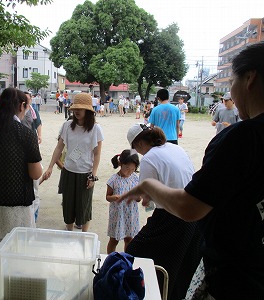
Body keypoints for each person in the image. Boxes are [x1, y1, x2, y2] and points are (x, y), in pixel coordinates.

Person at [119, 42, 264, 299]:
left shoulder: (243, 138)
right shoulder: (176, 148)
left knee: (135, 257)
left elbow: (190, 207)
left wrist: (146, 186)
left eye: (232, 81)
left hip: (238, 276)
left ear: (250, 78)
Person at [122, 123, 203, 300]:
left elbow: (145, 195)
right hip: (194, 212)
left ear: (139, 144)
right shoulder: (175, 148)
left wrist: (136, 197)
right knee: (181, 264)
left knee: (134, 253)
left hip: (171, 215)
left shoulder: (149, 158)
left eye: (136, 148)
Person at [0, 87, 42, 264]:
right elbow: (35, 173)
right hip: (15, 200)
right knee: (16, 248)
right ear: (21, 105)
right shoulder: (25, 133)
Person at [43, 93, 103, 232]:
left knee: (84, 207)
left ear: (88, 111)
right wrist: (51, 166)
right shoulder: (67, 126)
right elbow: (59, 147)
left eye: (80, 109)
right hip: (68, 171)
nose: (76, 111)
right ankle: (69, 232)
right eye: (75, 108)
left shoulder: (95, 129)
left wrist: (93, 175)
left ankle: (84, 235)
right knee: (68, 205)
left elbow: (97, 153)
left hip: (85, 173)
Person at [106, 150, 140, 254]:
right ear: (121, 164)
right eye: (127, 168)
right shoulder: (113, 180)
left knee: (129, 239)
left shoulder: (135, 178)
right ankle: (110, 259)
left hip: (130, 214)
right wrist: (114, 197)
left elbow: (139, 198)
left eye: (133, 169)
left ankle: (127, 259)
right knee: (114, 239)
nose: (129, 171)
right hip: (117, 215)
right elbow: (107, 197)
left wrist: (137, 197)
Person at [22, 91, 43, 222]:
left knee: (34, 183)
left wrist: (39, 136)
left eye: (28, 99)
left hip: (31, 143)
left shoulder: (33, 111)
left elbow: (38, 123)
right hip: (22, 144)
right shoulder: (16, 113)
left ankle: (33, 217)